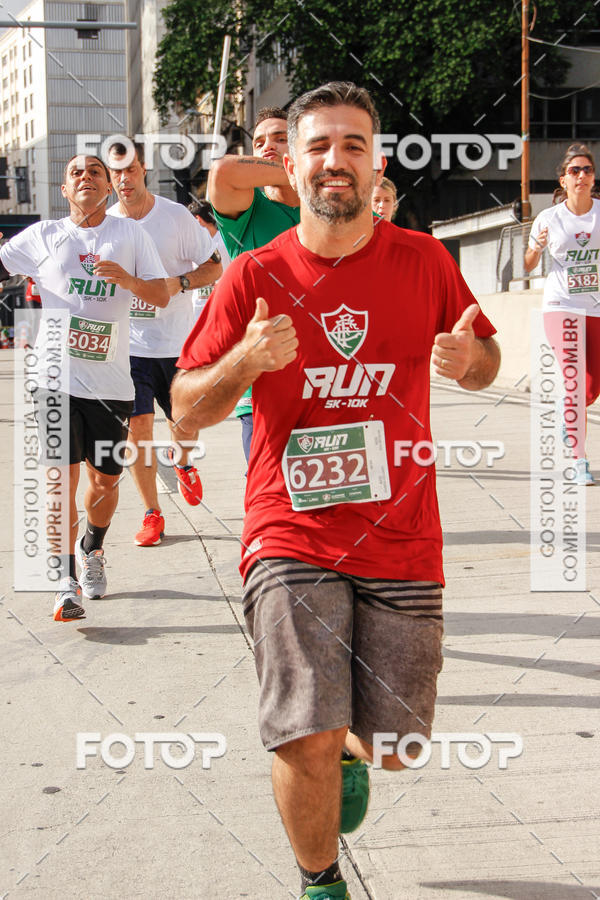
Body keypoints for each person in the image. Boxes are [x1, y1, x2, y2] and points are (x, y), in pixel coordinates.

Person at [173, 82, 500, 900]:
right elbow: (184, 409)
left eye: (353, 145)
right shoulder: (252, 274)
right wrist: (245, 363)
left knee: (395, 747)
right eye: (319, 146)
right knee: (305, 735)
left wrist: (473, 366)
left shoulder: (425, 261)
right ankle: (320, 880)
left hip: (401, 536)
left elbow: (485, 356)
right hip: (290, 533)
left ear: (377, 162)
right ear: (289, 164)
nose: (336, 161)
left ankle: (356, 752)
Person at [0, 155, 169, 620]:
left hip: (111, 384)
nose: (86, 177)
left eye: (95, 171)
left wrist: (129, 280)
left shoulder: (130, 235)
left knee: (104, 483)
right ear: (64, 189)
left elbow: (160, 294)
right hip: (52, 379)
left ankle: (92, 548)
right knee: (59, 482)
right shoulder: (43, 236)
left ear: (108, 186)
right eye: (77, 172)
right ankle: (65, 579)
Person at [107, 141, 222, 546]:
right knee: (138, 429)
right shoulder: (105, 225)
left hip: (176, 344)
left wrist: (181, 283)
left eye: (131, 170)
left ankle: (184, 462)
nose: (124, 179)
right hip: (130, 348)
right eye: (116, 172)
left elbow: (215, 265)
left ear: (143, 169)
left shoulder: (174, 217)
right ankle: (151, 513)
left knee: (185, 423)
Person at [208, 106, 300, 463]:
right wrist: (298, 167)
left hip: (328, 379)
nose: (267, 146)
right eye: (259, 141)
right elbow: (224, 171)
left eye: (280, 139)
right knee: (270, 502)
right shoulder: (248, 209)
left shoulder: (328, 208)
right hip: (262, 383)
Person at [525, 142, 600, 485]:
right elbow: (527, 264)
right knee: (573, 380)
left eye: (587, 170)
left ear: (593, 177)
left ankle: (565, 410)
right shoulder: (549, 218)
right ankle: (578, 460)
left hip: (596, 308)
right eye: (574, 171)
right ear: (563, 180)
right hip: (561, 307)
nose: (581, 176)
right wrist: (537, 247)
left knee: (591, 385)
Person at [187, 199, 231, 320]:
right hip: (197, 312)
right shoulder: (191, 246)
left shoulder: (226, 244)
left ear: (198, 219)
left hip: (221, 309)